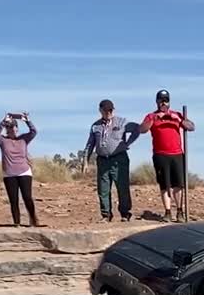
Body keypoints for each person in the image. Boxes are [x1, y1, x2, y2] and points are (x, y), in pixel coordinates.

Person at [139, 89, 194, 222]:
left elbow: (191, 127)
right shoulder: (151, 116)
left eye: (166, 100)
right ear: (157, 101)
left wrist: (178, 120)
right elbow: (142, 130)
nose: (163, 103)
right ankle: (168, 212)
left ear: (169, 102)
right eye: (161, 100)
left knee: (178, 185)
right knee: (164, 185)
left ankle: (180, 211)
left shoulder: (176, 115)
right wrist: (153, 119)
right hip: (160, 155)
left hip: (177, 154)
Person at [83, 99, 139, 222]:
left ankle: (125, 213)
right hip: (102, 160)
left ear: (113, 109)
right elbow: (89, 145)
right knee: (103, 189)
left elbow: (137, 129)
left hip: (119, 159)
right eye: (106, 110)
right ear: (100, 111)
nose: (108, 112)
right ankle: (106, 215)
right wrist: (85, 162)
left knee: (122, 186)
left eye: (110, 110)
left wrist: (128, 143)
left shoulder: (122, 122)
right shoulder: (95, 126)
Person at [0, 111, 39, 227]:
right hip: (9, 174)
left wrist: (27, 121)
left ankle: (33, 219)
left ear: (18, 129)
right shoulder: (3, 140)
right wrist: (4, 121)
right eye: (10, 129)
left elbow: (34, 132)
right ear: (7, 130)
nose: (13, 131)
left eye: (15, 129)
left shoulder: (23, 139)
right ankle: (17, 223)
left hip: (24, 171)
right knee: (13, 200)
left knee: (27, 197)